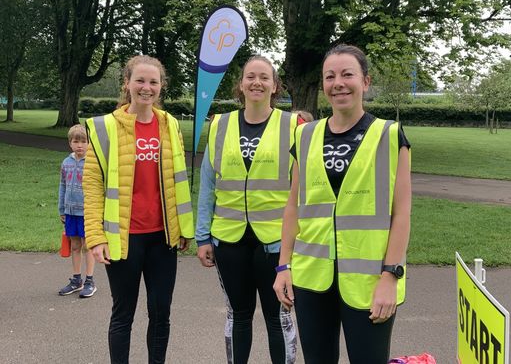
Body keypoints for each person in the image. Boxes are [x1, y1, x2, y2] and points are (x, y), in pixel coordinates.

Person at [274, 44, 412, 364]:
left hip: (369, 283)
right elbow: (293, 207)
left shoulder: (390, 136)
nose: (338, 83)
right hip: (311, 280)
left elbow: (401, 213)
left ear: (365, 81)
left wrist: (391, 277)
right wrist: (283, 266)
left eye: (347, 74)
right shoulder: (305, 136)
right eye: (330, 76)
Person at [83, 55, 193, 364]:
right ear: (127, 84)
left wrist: (183, 228)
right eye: (140, 81)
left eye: (153, 82)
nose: (147, 88)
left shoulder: (170, 124)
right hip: (123, 238)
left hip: (163, 237)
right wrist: (96, 237)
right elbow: (92, 185)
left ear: (161, 87)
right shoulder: (105, 128)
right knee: (123, 314)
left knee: (161, 314)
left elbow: (177, 180)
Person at [196, 55, 298, 364]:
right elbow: (208, 184)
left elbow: (303, 189)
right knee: (238, 315)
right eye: (250, 76)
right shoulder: (220, 124)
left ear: (274, 85)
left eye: (264, 77)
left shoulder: (293, 125)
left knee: (278, 317)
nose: (257, 82)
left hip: (276, 241)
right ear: (241, 84)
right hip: (228, 239)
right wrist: (202, 237)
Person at [58, 124, 96, 298]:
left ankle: (89, 281)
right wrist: (62, 209)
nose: (80, 145)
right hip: (71, 211)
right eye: (76, 141)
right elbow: (62, 187)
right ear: (70, 143)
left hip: (87, 212)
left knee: (88, 246)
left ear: (89, 143)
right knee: (75, 245)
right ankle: (76, 280)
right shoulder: (66, 163)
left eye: (83, 141)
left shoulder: (92, 163)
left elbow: (97, 188)